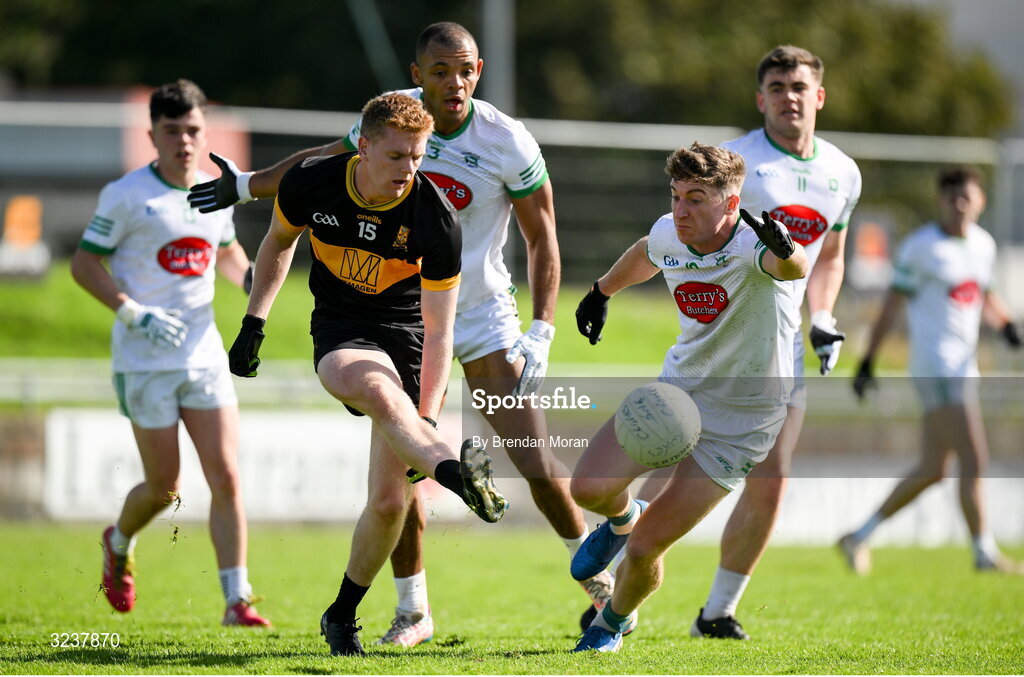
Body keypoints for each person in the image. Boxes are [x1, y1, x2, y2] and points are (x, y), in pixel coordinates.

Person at [189, 22, 603, 646]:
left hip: (480, 314)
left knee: (534, 458)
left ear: (479, 70)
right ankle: (414, 611)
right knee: (406, 464)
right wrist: (246, 186)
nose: (454, 81)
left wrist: (543, 326)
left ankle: (600, 592)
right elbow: (321, 167)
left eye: (464, 69)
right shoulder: (389, 122)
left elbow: (542, 234)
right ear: (418, 75)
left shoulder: (508, 141)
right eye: (440, 70)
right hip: (396, 316)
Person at [594, 45, 862, 640]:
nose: (789, 95)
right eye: (776, 85)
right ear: (760, 98)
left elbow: (830, 258)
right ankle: (616, 598)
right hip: (715, 352)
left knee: (773, 478)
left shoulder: (843, 172)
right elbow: (678, 238)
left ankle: (716, 612)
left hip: (780, 358)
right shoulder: (735, 161)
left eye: (800, 85)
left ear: (818, 96)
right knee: (665, 467)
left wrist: (823, 316)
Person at [228, 91, 509, 657]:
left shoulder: (436, 218)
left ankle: (341, 614)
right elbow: (279, 242)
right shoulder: (311, 181)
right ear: (364, 145)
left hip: (407, 340)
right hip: (341, 333)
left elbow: (439, 331)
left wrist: (426, 419)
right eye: (397, 156)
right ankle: (456, 475)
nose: (409, 170)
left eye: (419, 157)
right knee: (380, 392)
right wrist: (253, 323)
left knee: (388, 504)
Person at [569, 141, 807, 652]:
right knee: (587, 488)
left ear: (730, 201)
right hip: (680, 390)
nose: (681, 210)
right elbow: (646, 252)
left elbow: (792, 269)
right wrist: (601, 291)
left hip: (745, 418)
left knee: (647, 549)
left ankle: (611, 624)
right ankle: (622, 518)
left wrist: (788, 249)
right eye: (676, 195)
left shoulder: (752, 245)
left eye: (696, 198)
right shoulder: (668, 231)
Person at [70, 79, 270, 627]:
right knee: (166, 489)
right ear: (152, 134)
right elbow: (84, 264)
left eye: (194, 130)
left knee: (227, 476)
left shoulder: (213, 191)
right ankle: (119, 538)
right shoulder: (128, 195)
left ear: (205, 132)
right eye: (172, 130)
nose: (184, 141)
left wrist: (258, 283)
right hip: (144, 360)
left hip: (204, 355)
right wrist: (133, 312)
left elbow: (227, 255)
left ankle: (237, 600)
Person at [841, 166, 1022, 574]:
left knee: (933, 470)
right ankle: (984, 553)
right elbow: (891, 306)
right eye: (952, 197)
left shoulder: (983, 245)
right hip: (936, 366)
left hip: (963, 364)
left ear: (980, 202)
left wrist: (1007, 324)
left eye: (967, 198)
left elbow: (985, 295)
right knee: (975, 457)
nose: (959, 205)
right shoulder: (920, 247)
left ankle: (858, 536)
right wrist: (868, 360)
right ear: (940, 200)